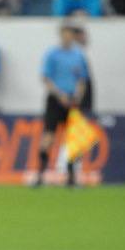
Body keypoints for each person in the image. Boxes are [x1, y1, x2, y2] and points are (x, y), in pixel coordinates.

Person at [37, 21, 88, 187]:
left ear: (72, 36)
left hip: (72, 100)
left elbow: (82, 79)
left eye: (69, 34)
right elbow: (46, 78)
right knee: (49, 136)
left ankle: (71, 177)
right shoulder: (52, 55)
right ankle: (40, 174)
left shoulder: (78, 56)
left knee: (72, 139)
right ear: (60, 35)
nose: (67, 37)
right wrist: (60, 95)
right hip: (55, 99)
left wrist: (77, 97)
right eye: (64, 34)